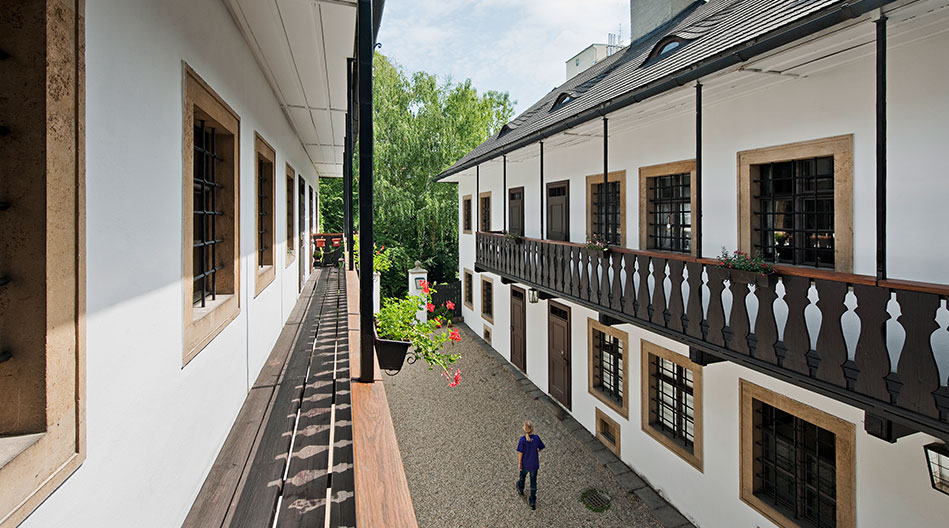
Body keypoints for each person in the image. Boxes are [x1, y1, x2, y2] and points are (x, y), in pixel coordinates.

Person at [515, 420, 545, 510]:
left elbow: (520, 452)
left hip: (525, 464)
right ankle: (532, 500)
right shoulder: (536, 438)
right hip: (534, 465)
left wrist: (519, 463)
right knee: (533, 483)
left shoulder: (523, 440)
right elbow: (541, 447)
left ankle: (521, 488)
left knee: (522, 477)